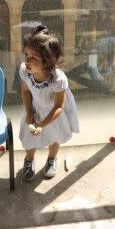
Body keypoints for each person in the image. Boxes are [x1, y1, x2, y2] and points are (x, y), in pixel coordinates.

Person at [18, 25, 80, 181]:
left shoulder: (58, 79)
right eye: (26, 54)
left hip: (53, 113)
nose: (27, 60)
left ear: (49, 61)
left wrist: (42, 125)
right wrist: (30, 113)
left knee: (55, 137)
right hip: (34, 108)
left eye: (33, 57)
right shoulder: (25, 72)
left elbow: (60, 106)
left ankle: (52, 159)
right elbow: (25, 91)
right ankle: (29, 160)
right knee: (29, 138)